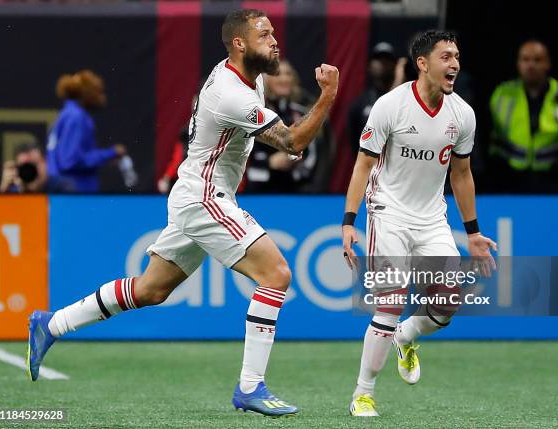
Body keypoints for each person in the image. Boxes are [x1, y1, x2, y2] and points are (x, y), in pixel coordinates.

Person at [27, 9, 338, 417]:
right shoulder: (232, 92)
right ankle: (250, 387)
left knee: (151, 290)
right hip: (204, 196)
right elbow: (294, 142)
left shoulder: (250, 76)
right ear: (239, 44)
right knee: (276, 274)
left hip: (196, 190)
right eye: (264, 34)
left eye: (274, 32)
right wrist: (328, 96)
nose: (275, 39)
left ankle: (51, 324)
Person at [341, 30, 496, 417]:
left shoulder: (462, 114)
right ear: (422, 63)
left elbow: (461, 175)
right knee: (390, 303)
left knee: (448, 302)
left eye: (457, 56)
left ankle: (407, 336)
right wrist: (348, 220)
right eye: (446, 57)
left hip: (432, 218)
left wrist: (473, 233)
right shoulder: (390, 106)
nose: (455, 64)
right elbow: (363, 164)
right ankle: (363, 393)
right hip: (387, 211)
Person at [488, 40, 558, 193]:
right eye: (525, 60)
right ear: (518, 64)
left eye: (537, 60)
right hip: (509, 180)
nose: (531, 65)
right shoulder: (502, 95)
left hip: (557, 180)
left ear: (548, 64)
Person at [245, 59, 327, 193]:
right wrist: (269, 162)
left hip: (294, 190)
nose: (284, 79)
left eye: (288, 74)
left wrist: (295, 163)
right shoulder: (253, 112)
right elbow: (240, 148)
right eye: (278, 74)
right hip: (256, 191)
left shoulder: (302, 114)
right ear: (265, 80)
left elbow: (313, 153)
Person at [46, 70, 127, 193]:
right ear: (86, 93)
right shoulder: (76, 116)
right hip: (75, 195)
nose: (102, 97)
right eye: (99, 92)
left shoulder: (66, 114)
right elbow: (70, 161)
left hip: (65, 193)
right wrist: (110, 153)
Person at [347, 42, 408, 156]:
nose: (383, 63)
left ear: (395, 66)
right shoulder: (360, 103)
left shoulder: (406, 100)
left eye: (387, 59)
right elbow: (354, 143)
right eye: (378, 59)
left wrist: (399, 80)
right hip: (369, 165)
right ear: (369, 66)